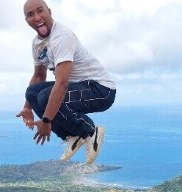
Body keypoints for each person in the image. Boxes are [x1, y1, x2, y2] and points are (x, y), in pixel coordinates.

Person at [16, 0, 116, 164]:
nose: (37, 17)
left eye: (40, 11)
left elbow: (61, 84)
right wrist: (28, 106)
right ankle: (72, 135)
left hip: (101, 90)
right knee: (33, 94)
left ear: (50, 12)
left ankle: (90, 131)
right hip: (78, 88)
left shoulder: (61, 37)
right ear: (26, 20)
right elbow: (39, 76)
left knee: (46, 97)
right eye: (30, 15)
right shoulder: (37, 44)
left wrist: (46, 121)